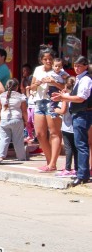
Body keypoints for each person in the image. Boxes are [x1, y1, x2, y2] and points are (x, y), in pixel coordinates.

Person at [51, 56, 92, 187]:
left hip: (82, 113)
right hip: (79, 113)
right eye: (75, 65)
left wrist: (64, 97)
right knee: (80, 144)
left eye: (80, 66)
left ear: (86, 66)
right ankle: (82, 173)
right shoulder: (80, 79)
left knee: (81, 144)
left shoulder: (85, 79)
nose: (77, 68)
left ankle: (82, 175)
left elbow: (81, 98)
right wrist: (63, 97)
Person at [30, 48, 63, 172]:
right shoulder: (38, 69)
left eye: (50, 59)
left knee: (54, 133)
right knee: (39, 134)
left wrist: (53, 82)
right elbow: (32, 86)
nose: (48, 61)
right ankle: (49, 162)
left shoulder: (59, 71)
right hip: (39, 101)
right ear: (41, 60)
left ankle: (53, 163)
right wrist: (37, 84)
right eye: (45, 59)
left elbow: (66, 86)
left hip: (53, 101)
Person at [0, 79, 28, 163]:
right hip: (17, 119)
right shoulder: (21, 96)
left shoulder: (1, 96)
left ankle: (0, 156)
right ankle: (21, 157)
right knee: (18, 139)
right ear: (17, 87)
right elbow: (24, 110)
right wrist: (26, 121)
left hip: (4, 119)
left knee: (4, 138)